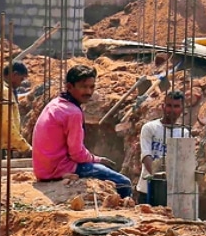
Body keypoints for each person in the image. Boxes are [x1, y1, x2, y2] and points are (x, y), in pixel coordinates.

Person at [33, 65, 132, 198]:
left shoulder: (55, 103)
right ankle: (123, 208)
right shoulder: (73, 113)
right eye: (83, 87)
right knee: (124, 183)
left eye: (91, 87)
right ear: (69, 87)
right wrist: (96, 160)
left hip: (43, 169)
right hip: (58, 169)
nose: (88, 92)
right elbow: (76, 154)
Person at [136, 91, 189, 203]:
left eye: (176, 106)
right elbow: (146, 156)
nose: (172, 110)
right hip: (148, 190)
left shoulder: (184, 133)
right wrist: (159, 178)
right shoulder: (150, 128)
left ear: (182, 109)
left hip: (171, 194)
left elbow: (183, 163)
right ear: (163, 107)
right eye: (169, 105)